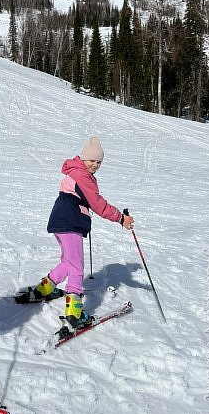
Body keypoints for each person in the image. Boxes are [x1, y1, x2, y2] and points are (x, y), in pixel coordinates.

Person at [29, 137, 134, 330]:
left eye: (99, 162)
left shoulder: (76, 172)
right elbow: (97, 203)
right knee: (76, 267)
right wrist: (120, 218)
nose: (95, 165)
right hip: (70, 222)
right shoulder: (82, 175)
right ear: (83, 159)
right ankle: (74, 313)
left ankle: (43, 289)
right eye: (91, 160)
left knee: (68, 262)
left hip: (61, 221)